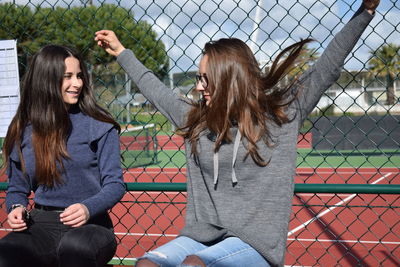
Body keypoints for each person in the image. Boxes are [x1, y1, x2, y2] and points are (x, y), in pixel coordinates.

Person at [95, 0, 379, 266]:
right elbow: (154, 88)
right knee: (147, 263)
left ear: (229, 80)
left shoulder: (281, 117)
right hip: (198, 236)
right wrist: (122, 52)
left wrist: (365, 11)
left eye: (204, 79)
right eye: (197, 79)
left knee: (195, 265)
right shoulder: (195, 119)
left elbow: (326, 67)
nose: (197, 87)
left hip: (255, 245)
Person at [0, 45, 125, 267]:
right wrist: (16, 208)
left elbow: (115, 185)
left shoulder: (99, 124)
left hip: (91, 226)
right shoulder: (22, 128)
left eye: (79, 76)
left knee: (75, 250)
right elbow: (17, 189)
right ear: (46, 79)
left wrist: (88, 208)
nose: (77, 83)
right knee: (5, 254)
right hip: (40, 225)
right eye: (67, 77)